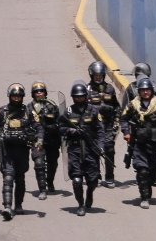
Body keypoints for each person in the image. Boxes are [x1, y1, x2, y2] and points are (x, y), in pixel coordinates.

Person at [0, 84, 44, 221]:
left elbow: (39, 127)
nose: (16, 98)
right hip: (7, 151)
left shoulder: (28, 112)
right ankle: (7, 206)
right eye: (14, 96)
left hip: (22, 150)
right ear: (9, 96)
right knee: (8, 177)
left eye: (19, 96)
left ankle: (18, 205)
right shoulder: (3, 111)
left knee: (20, 178)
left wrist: (39, 140)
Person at [120, 77, 156, 208]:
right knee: (142, 171)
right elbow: (124, 118)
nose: (145, 92)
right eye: (143, 90)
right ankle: (144, 198)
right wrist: (126, 132)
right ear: (139, 91)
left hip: (155, 144)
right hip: (139, 144)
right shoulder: (133, 105)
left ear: (152, 91)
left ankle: (147, 185)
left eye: (148, 90)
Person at [59, 82, 105, 216]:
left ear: (86, 96)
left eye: (81, 97)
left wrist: (100, 147)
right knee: (77, 180)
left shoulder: (94, 110)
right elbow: (60, 128)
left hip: (91, 149)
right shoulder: (68, 111)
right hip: (74, 149)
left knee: (93, 180)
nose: (79, 99)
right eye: (77, 97)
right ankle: (80, 204)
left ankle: (90, 193)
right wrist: (69, 130)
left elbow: (100, 131)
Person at [86, 61, 121, 187]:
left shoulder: (110, 88)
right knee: (94, 150)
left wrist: (117, 120)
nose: (98, 77)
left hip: (107, 125)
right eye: (96, 75)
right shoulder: (87, 89)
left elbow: (117, 106)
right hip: (93, 126)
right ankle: (95, 174)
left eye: (100, 75)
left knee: (109, 149)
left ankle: (109, 176)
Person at [27, 82, 62, 195]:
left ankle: (50, 182)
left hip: (52, 140)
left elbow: (60, 122)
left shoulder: (52, 106)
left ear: (45, 92)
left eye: (41, 91)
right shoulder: (29, 107)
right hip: (37, 141)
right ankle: (42, 189)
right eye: (36, 92)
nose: (39, 93)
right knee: (39, 163)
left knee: (52, 164)